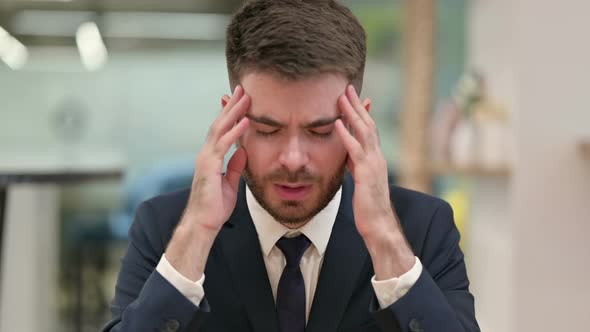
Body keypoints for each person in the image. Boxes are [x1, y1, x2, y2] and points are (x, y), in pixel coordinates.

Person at [102, 0, 479, 331]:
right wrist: (195, 236)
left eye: (319, 131)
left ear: (357, 125)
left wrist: (385, 242)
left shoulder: (422, 228)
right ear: (232, 123)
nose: (294, 159)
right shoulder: (166, 228)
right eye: (268, 129)